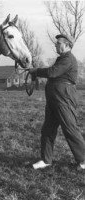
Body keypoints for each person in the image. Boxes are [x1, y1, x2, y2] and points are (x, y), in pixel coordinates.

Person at [29, 34, 85, 170]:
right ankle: (46, 160)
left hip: (64, 99)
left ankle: (83, 161)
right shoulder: (62, 59)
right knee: (47, 130)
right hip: (54, 100)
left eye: (58, 43)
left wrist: (36, 71)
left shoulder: (68, 59)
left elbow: (53, 72)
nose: (55, 45)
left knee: (70, 129)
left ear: (67, 45)